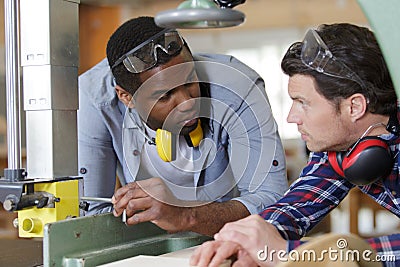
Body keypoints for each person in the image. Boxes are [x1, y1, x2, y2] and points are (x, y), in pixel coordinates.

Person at [190, 23, 400, 266]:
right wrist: (245, 240)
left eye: (303, 102)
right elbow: (297, 205)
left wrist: (296, 253)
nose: (292, 117)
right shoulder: (339, 146)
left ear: (354, 107)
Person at [77, 16, 288, 236]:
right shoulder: (95, 102)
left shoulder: (237, 87)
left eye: (190, 81)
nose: (188, 103)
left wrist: (186, 215)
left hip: (224, 236)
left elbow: (273, 201)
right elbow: (91, 214)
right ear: (126, 97)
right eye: (166, 95)